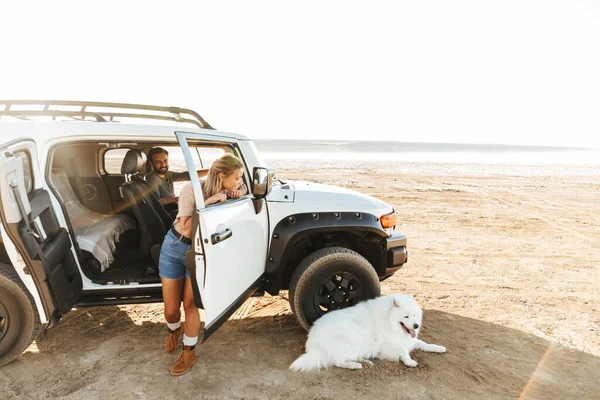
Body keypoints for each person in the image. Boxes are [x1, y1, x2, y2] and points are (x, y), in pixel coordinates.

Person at [158, 153, 248, 376]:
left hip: (200, 251)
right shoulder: (191, 189)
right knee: (170, 310)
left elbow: (245, 191)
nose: (239, 181)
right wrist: (209, 203)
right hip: (175, 246)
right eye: (236, 178)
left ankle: (189, 351)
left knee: (190, 304)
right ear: (220, 176)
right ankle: (173, 328)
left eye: (240, 178)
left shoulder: (230, 189)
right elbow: (188, 228)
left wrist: (238, 192)